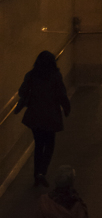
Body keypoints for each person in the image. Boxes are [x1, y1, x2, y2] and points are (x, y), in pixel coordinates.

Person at [16, 51, 70, 187]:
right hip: (50, 115)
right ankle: (42, 173)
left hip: (34, 115)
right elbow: (62, 94)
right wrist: (67, 107)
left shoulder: (31, 75)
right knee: (50, 144)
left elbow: (22, 92)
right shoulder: (55, 76)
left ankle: (36, 174)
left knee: (39, 145)